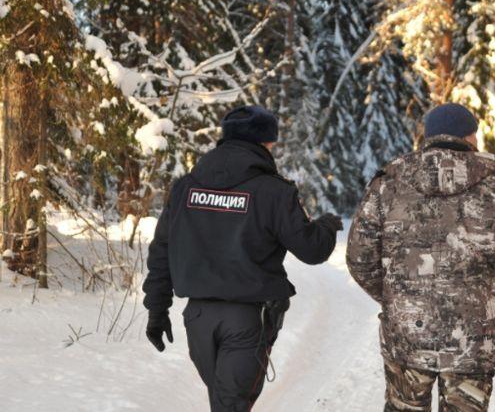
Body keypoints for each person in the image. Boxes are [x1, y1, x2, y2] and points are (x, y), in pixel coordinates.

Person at [141, 105, 344, 412]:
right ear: (266, 143)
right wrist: (327, 225)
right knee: (230, 405)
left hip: (197, 319)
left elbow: (161, 252)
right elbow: (312, 250)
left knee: (224, 402)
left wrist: (157, 310)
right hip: (248, 320)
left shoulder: (185, 187)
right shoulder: (273, 192)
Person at [347, 103, 495, 412]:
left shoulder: (388, 184)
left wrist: (399, 299)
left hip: (407, 334)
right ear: (470, 137)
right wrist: (493, 305)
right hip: (474, 336)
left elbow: (360, 256)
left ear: (428, 136)